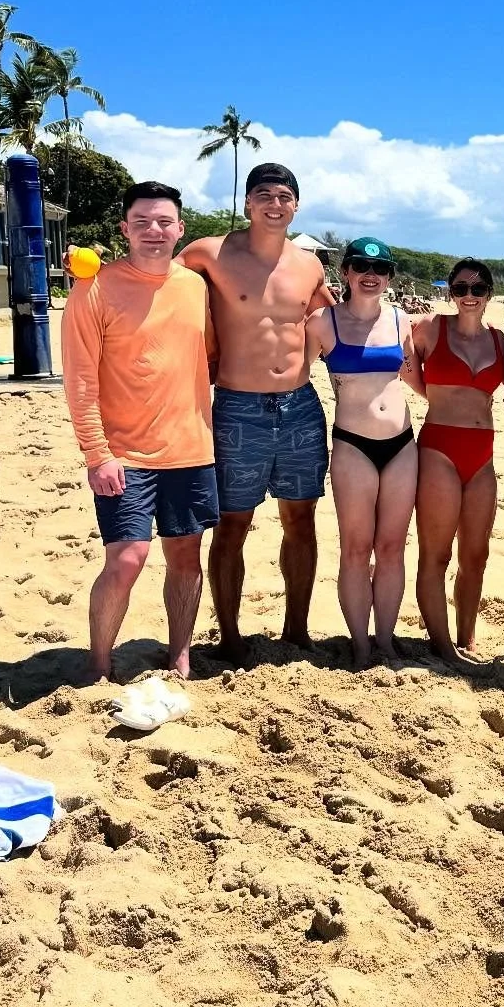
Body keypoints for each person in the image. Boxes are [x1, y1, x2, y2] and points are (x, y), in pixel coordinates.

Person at [61, 181, 218, 682]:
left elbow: (206, 358)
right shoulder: (95, 288)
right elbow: (80, 379)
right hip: (123, 454)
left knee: (186, 560)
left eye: (165, 221)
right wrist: (96, 454)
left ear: (181, 228)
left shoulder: (194, 286)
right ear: (125, 229)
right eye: (143, 222)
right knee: (128, 559)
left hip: (191, 450)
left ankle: (180, 657)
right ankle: (99, 663)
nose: (155, 231)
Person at [179, 163, 333, 660]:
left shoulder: (309, 265)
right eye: (263, 194)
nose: (274, 203)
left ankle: (297, 630)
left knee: (301, 521)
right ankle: (229, 636)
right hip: (237, 408)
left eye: (284, 196)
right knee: (233, 524)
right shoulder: (209, 252)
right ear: (247, 203)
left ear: (295, 206)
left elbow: (339, 323)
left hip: (300, 406)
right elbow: (152, 284)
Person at [304, 238, 419, 667]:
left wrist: (499, 395)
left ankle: (385, 641)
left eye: (381, 269)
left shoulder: (401, 320)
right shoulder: (322, 322)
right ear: (346, 272)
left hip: (403, 445)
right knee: (356, 547)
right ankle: (359, 643)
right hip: (352, 444)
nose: (371, 275)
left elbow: (416, 380)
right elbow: (292, 376)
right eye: (361, 266)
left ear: (389, 277)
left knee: (391, 547)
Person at [410, 258, 504, 659]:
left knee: (477, 555)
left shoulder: (498, 340)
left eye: (477, 289)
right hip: (439, 448)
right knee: (436, 554)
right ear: (451, 292)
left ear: (488, 294)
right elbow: (403, 366)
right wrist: (433, 395)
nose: (468, 296)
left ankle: (465, 637)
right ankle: (441, 646)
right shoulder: (430, 327)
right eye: (461, 288)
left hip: (482, 454)